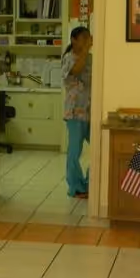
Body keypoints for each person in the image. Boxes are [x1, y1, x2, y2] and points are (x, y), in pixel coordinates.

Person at [61, 25, 93, 198]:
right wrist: (86, 49)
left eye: (89, 38)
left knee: (98, 148)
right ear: (74, 40)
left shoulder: (91, 58)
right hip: (74, 113)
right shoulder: (69, 58)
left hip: (90, 112)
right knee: (74, 152)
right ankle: (75, 186)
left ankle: (89, 183)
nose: (87, 41)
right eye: (84, 38)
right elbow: (76, 70)